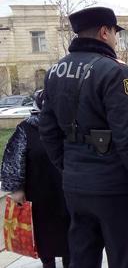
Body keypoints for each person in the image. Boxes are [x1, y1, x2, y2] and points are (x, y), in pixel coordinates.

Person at [39, 7, 128, 267]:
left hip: (75, 186)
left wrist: (68, 165)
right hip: (115, 187)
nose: (116, 38)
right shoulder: (115, 71)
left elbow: (47, 131)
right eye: (115, 32)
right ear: (105, 32)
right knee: (125, 258)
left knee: (82, 258)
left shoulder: (54, 72)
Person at [1, 90, 70, 268]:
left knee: (70, 236)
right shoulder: (26, 128)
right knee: (44, 236)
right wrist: (16, 188)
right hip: (39, 193)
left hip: (68, 191)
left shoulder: (67, 126)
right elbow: (13, 158)